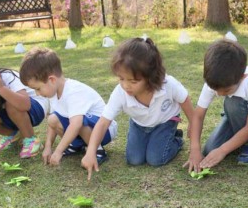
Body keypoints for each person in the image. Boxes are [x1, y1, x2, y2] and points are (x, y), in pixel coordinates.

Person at [81, 37, 193, 179]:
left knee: (155, 159)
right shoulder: (120, 92)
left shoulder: (168, 84)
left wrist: (192, 125)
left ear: (151, 77)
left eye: (133, 81)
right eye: (121, 79)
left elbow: (186, 103)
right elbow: (103, 123)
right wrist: (91, 151)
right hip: (139, 123)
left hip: (164, 122)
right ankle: (154, 140)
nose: (126, 85)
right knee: (134, 160)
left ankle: (176, 139)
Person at [19, 47, 117, 166]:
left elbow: (76, 125)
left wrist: (59, 151)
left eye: (38, 88)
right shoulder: (53, 92)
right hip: (87, 127)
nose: (37, 93)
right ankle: (76, 146)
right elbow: (52, 123)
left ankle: (98, 151)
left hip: (104, 131)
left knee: (77, 122)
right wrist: (48, 146)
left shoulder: (73, 92)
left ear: (52, 80)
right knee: (53, 118)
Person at [184, 40, 248, 172]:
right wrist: (195, 149)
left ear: (242, 77)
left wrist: (223, 150)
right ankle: (238, 138)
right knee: (210, 150)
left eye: (226, 91)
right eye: (216, 89)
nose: (219, 94)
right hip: (234, 116)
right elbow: (198, 116)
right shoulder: (214, 78)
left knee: (232, 102)